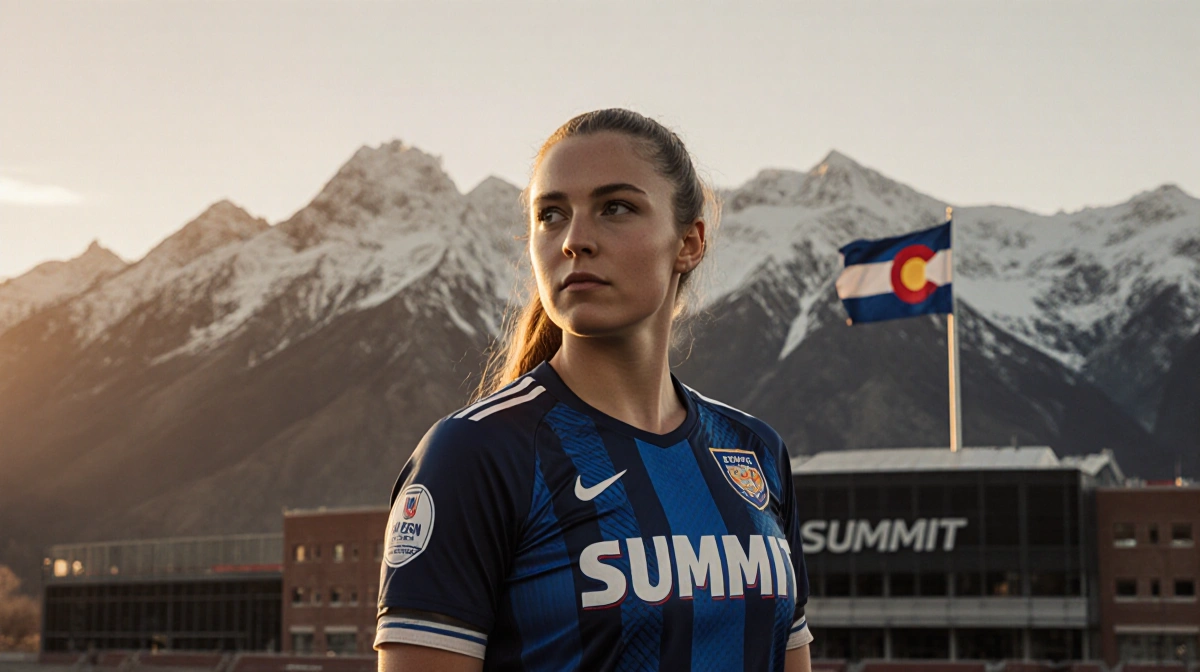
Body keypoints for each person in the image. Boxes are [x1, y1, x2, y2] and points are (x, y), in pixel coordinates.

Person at [375, 108, 814, 672]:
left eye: (616, 208)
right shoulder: (475, 453)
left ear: (689, 242)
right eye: (551, 215)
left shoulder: (755, 450)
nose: (574, 240)